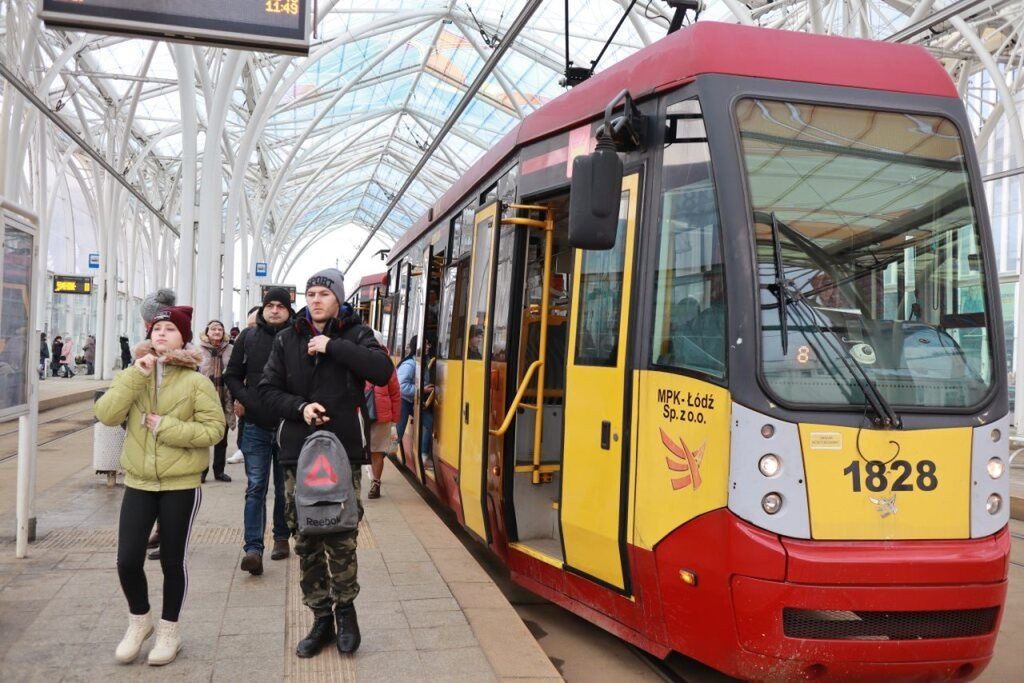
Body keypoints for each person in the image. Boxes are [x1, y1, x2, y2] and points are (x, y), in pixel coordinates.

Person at [259, 268, 392, 657]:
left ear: (338, 299)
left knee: (341, 532)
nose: (315, 299)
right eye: (311, 293)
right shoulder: (286, 339)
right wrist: (300, 408)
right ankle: (320, 618)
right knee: (306, 536)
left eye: (324, 293)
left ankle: (346, 612)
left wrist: (331, 346)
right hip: (297, 452)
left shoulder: (356, 334)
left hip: (342, 450)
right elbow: (267, 389)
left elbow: (382, 371)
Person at [94, 305, 225, 667]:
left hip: (181, 483)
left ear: (183, 336)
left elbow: (215, 430)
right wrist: (136, 375)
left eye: (170, 328)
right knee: (127, 559)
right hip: (138, 481)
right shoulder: (133, 374)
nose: (161, 334)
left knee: (172, 560)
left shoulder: (196, 382)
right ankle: (140, 621)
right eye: (156, 329)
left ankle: (170, 629)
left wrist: (166, 427)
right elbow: (106, 414)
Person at [224, 288, 294, 576]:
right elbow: (231, 375)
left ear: (289, 310)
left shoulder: (297, 339)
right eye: (270, 305)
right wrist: (249, 399)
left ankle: (281, 537)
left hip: (287, 426)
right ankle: (253, 548)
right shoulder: (248, 337)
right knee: (256, 487)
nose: (275, 310)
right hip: (255, 425)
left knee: (283, 488)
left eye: (281, 306)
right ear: (263, 309)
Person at [367, 330, 401, 500]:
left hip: (364, 412)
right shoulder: (388, 365)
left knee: (370, 450)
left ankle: (370, 482)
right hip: (382, 413)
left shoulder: (359, 359)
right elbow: (395, 393)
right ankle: (375, 482)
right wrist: (394, 418)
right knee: (377, 452)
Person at [198, 320, 233, 483]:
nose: (217, 331)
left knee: (222, 438)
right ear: (207, 332)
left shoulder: (230, 350)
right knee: (202, 438)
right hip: (203, 399)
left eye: (220, 329)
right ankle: (201, 471)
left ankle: (219, 471)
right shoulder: (198, 350)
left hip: (224, 397)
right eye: (213, 329)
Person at [396, 335, 417, 453]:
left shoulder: (419, 362)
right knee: (397, 434)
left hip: (409, 401)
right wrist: (421, 389)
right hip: (403, 401)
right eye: (427, 344)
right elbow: (401, 386)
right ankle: (382, 456)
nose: (429, 347)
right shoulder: (410, 364)